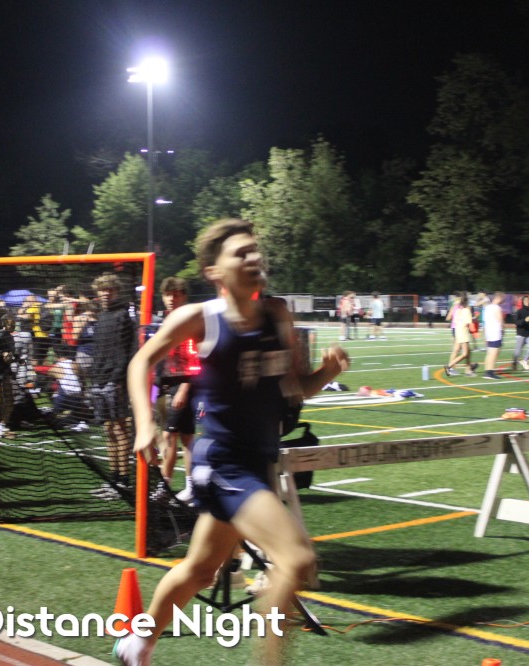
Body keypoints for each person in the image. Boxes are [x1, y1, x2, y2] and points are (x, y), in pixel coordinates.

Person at [114, 219, 349, 666]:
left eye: (256, 250)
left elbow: (292, 389)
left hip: (260, 463)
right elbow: (141, 361)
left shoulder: (277, 315)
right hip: (223, 462)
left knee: (200, 571)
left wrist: (327, 373)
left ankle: (137, 643)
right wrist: (145, 423)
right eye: (241, 253)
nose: (254, 258)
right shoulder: (200, 318)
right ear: (214, 271)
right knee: (296, 559)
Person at [88, 272, 137, 498]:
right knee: (108, 430)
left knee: (120, 429)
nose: (106, 293)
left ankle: (124, 480)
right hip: (98, 380)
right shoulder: (100, 317)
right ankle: (114, 479)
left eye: (110, 289)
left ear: (117, 291)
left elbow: (127, 351)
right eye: (102, 289)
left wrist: (118, 378)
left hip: (114, 381)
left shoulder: (123, 316)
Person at [153, 277, 199, 503]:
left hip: (181, 385)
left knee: (169, 436)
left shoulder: (188, 321)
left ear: (184, 296)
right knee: (185, 438)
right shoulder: (164, 320)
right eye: (167, 294)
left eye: (176, 294)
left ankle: (165, 485)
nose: (171, 298)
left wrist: (184, 389)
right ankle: (191, 486)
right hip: (166, 385)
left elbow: (195, 359)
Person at [445, 292, 476, 377]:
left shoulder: (458, 309)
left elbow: (454, 320)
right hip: (463, 332)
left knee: (465, 351)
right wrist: (474, 321)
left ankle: (468, 370)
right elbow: (469, 323)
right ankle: (449, 366)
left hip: (458, 330)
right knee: (465, 353)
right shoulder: (467, 309)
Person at [482, 292, 505, 380]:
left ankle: (487, 370)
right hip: (495, 333)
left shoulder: (487, 307)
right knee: (494, 353)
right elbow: (500, 321)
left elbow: (484, 322)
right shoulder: (497, 308)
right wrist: (503, 330)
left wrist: (484, 334)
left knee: (489, 353)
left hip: (488, 333)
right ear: (499, 298)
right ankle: (490, 372)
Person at [511, 294, 529, 371]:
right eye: (525, 300)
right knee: (517, 353)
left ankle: (525, 360)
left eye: (528, 300)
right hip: (520, 334)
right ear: (523, 302)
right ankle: (514, 363)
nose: (527, 301)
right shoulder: (519, 311)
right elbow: (516, 323)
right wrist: (524, 320)